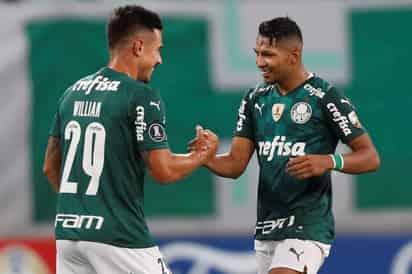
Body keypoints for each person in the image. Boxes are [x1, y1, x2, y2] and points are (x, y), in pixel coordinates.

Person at [191, 17, 380, 274]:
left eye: (268, 54)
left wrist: (329, 161)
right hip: (267, 228)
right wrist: (207, 157)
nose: (259, 63)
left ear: (294, 55)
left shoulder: (324, 97)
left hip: (307, 226)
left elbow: (370, 157)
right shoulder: (254, 99)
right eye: (257, 54)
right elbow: (235, 165)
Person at [43, 5, 217, 274]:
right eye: (157, 49)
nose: (159, 60)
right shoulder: (140, 95)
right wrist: (201, 156)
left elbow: (50, 167)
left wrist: (87, 209)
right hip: (119, 237)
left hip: (69, 236)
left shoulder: (71, 93)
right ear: (138, 46)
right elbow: (163, 170)